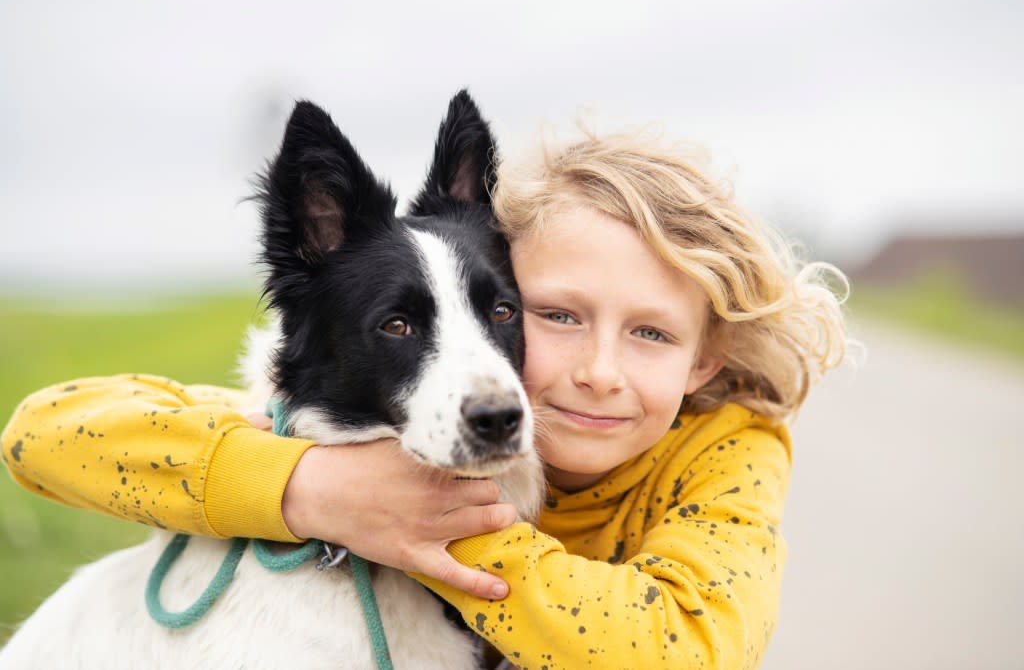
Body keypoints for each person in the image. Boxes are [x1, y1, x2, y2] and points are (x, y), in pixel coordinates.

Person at [1, 123, 848, 668]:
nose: (597, 371)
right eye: (558, 315)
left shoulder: (725, 452)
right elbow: (38, 434)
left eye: (652, 333)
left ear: (707, 357)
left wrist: (419, 524)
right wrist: (307, 489)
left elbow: (675, 646)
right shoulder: (291, 434)